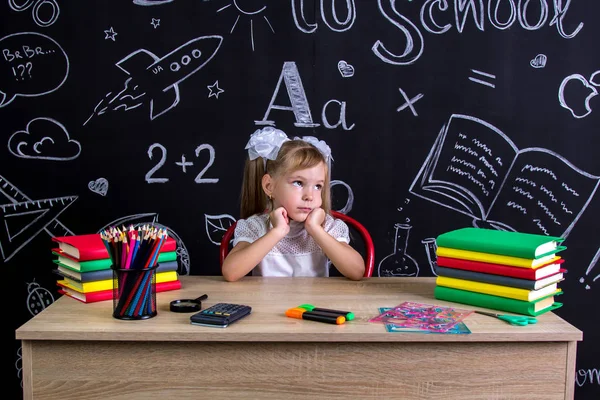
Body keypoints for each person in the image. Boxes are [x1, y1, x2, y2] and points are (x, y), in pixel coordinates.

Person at [222, 127, 365, 282]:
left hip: (313, 306)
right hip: (267, 305)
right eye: (298, 183)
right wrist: (277, 231)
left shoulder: (326, 227)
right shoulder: (256, 227)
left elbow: (357, 271)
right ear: (269, 186)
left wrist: (316, 230)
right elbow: (231, 272)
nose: (309, 196)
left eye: (318, 186)